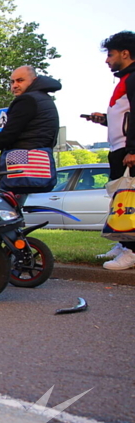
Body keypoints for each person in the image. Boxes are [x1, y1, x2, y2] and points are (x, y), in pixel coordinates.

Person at [87, 31, 135, 270]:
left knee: (130, 200)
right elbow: (124, 116)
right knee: (120, 199)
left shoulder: (133, 78)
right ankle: (124, 242)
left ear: (125, 54)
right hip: (120, 147)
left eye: (111, 54)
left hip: (128, 150)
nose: (107, 60)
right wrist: (105, 120)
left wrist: (133, 149)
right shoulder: (125, 79)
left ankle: (132, 251)